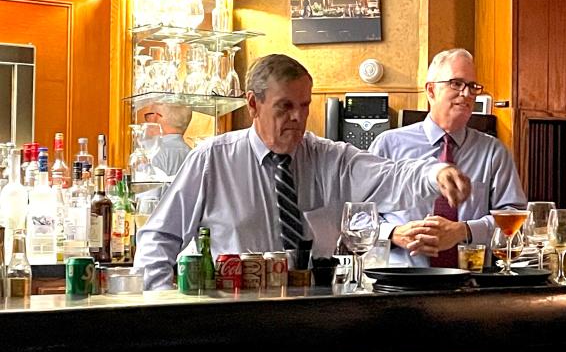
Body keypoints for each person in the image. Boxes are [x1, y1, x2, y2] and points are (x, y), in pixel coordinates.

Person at [134, 53, 471, 290]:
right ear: (253, 104)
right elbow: (159, 237)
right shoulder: (213, 159)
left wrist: (435, 174)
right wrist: (161, 304)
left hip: (312, 315)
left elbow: (390, 175)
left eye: (305, 105)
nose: (298, 117)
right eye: (285, 107)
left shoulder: (328, 157)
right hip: (234, 315)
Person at [368, 48, 526, 267]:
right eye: (456, 83)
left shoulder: (494, 152)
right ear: (431, 90)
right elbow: (356, 215)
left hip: (470, 283)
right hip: (399, 281)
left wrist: (464, 230)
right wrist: (393, 233)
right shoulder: (388, 145)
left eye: (472, 86)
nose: (466, 94)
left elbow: (516, 220)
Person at [143, 102, 193, 179]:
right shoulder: (193, 154)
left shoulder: (151, 154)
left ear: (156, 118)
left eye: (148, 116)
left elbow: (146, 189)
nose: (147, 121)